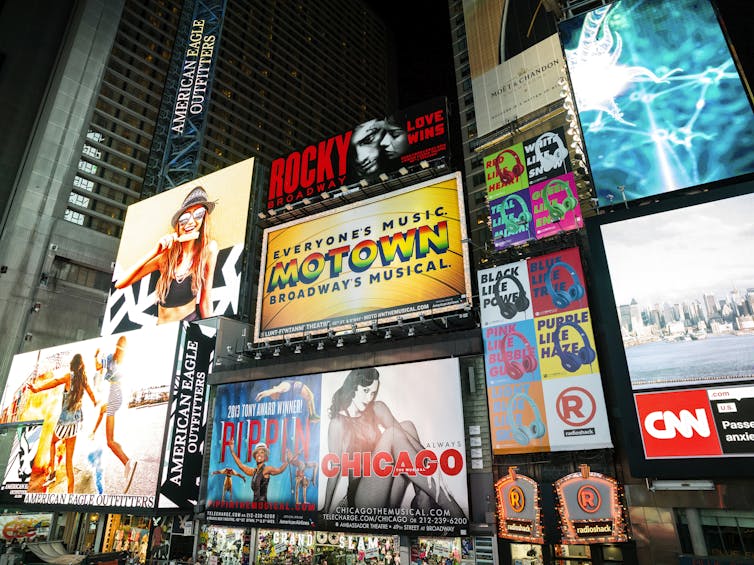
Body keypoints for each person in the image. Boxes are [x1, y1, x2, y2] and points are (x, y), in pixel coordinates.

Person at [323, 368, 464, 517]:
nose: (369, 398)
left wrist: (431, 464)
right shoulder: (338, 423)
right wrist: (326, 510)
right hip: (364, 498)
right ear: (353, 387)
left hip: (388, 493)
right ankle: (450, 507)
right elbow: (334, 470)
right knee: (392, 434)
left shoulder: (377, 408)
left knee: (406, 427)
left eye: (373, 393)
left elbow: (405, 436)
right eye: (365, 391)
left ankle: (423, 499)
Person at [115, 186, 219, 324]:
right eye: (185, 217)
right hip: (162, 330)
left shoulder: (208, 250)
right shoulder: (165, 258)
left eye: (199, 214)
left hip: (189, 324)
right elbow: (120, 283)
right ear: (178, 223)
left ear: (204, 219)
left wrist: (212, 334)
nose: (191, 222)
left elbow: (206, 299)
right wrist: (155, 252)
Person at [29, 353, 97, 494]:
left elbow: (54, 381)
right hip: (75, 424)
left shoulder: (68, 376)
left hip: (64, 423)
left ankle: (52, 473)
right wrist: (97, 403)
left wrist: (37, 388)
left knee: (53, 442)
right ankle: (70, 494)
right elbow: (92, 395)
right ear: (82, 366)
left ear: (73, 364)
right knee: (69, 462)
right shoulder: (83, 380)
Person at [90, 335, 138, 493]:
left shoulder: (116, 360)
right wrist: (96, 356)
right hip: (115, 394)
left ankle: (127, 463)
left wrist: (96, 355)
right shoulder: (115, 359)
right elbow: (98, 367)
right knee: (111, 439)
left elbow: (98, 367)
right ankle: (127, 461)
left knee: (110, 441)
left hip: (115, 395)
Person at [254, 380, 320, 422]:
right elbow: (271, 392)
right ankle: (312, 415)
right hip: (298, 386)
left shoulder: (279, 388)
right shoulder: (280, 388)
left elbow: (270, 391)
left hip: (297, 385)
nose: (277, 398)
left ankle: (312, 415)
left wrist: (261, 394)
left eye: (276, 397)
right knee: (310, 397)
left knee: (310, 396)